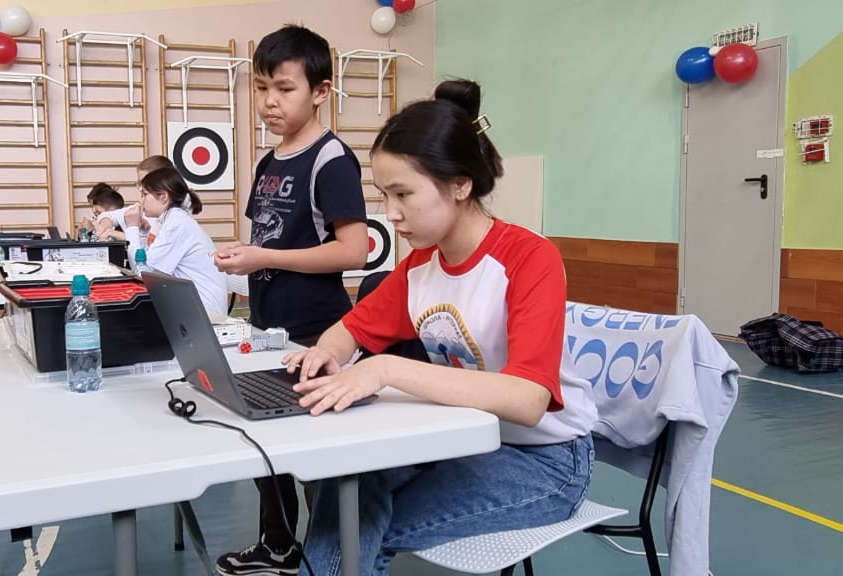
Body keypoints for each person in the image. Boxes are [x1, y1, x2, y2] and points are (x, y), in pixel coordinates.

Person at [283, 79, 598, 576]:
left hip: (545, 460)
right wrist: (328, 353)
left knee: (357, 526)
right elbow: (348, 330)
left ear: (460, 185)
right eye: (384, 194)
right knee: (347, 484)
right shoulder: (419, 268)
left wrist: (385, 369)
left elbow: (528, 400)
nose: (390, 214)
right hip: (461, 439)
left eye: (403, 194)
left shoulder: (529, 258)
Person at [212, 24, 368, 576]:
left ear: (321, 91)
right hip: (268, 325)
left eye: (284, 88)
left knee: (316, 459)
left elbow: (354, 249)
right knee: (266, 439)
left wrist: (264, 256)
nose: (269, 102)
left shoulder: (332, 160)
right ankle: (277, 545)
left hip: (318, 330)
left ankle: (329, 560)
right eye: (261, 88)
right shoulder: (269, 162)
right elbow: (271, 237)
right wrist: (244, 254)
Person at [126, 167, 227, 314]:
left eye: (144, 195)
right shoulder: (175, 219)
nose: (141, 201)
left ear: (163, 197)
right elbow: (147, 265)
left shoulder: (176, 223)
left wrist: (131, 228)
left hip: (206, 313)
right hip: (198, 307)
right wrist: (142, 234)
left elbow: (143, 272)